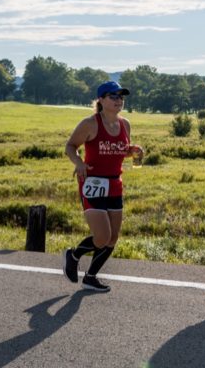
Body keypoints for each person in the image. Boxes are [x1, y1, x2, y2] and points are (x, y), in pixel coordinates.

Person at [63, 81, 144, 292]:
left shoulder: (125, 124)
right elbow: (70, 147)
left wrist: (132, 151)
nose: (119, 100)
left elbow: (119, 149)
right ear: (101, 100)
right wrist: (79, 163)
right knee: (102, 237)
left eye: (121, 97)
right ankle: (73, 255)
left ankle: (91, 277)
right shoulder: (90, 124)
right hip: (92, 183)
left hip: (115, 182)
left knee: (113, 237)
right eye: (113, 96)